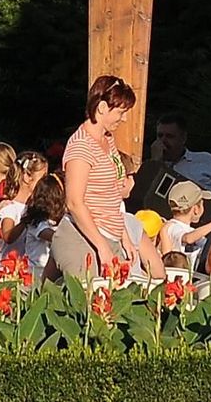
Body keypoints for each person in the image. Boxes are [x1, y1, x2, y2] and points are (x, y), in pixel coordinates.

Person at [56, 77, 164, 281]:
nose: (124, 119)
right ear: (102, 107)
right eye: (121, 112)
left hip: (110, 236)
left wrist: (125, 237)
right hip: (83, 239)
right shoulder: (81, 146)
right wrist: (102, 248)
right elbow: (74, 202)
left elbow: (112, 195)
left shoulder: (107, 139)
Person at [147, 114, 211, 197]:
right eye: (160, 136)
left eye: (170, 136)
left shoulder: (206, 160)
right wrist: (156, 161)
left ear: (183, 138)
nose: (163, 141)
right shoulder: (152, 167)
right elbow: (147, 195)